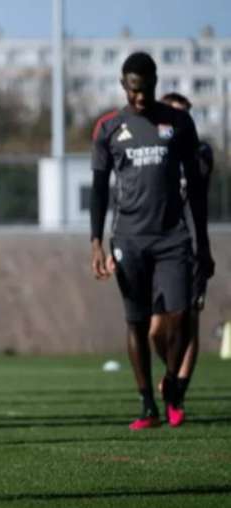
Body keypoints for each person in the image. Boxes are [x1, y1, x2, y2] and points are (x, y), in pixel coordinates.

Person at [89, 52, 213, 430]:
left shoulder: (179, 122)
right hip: (129, 238)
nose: (140, 97)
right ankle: (147, 404)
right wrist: (96, 242)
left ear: (156, 82)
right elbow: (99, 189)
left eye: (145, 89)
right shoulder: (109, 127)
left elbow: (196, 188)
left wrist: (203, 242)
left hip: (173, 236)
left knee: (180, 315)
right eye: (133, 90)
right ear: (123, 85)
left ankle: (173, 383)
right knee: (137, 321)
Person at [149, 92, 214, 420]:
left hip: (189, 245)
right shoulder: (152, 151)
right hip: (157, 244)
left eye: (185, 115)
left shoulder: (200, 152)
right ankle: (172, 374)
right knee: (155, 329)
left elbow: (195, 185)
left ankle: (178, 393)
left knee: (189, 320)